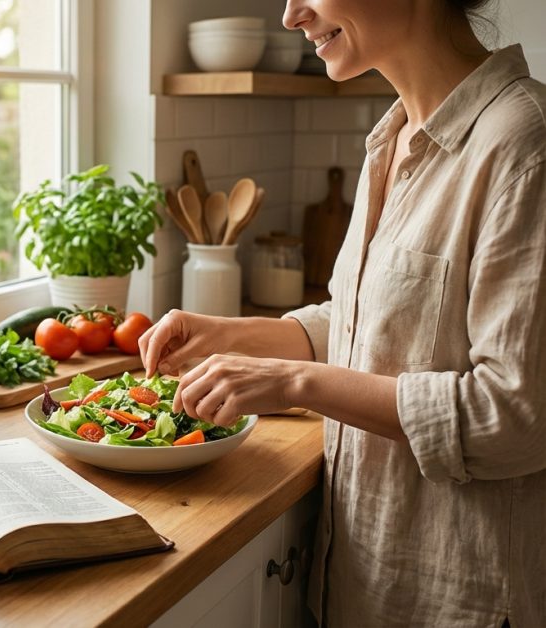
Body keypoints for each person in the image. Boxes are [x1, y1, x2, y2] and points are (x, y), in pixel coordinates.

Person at [139, 0, 545, 626]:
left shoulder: (525, 145)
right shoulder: (395, 138)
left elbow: (514, 418)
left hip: (461, 595)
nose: (290, 15)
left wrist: (297, 383)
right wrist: (235, 334)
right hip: (365, 580)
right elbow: (375, 323)